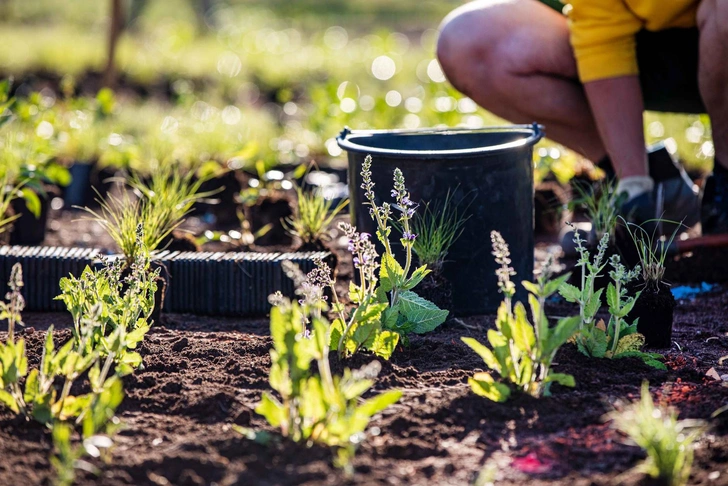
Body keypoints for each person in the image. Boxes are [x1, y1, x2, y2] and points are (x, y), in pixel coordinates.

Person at [436, 0, 728, 234]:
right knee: (467, 40)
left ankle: (724, 186)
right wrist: (634, 181)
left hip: (717, 31)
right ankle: (655, 185)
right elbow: (602, 35)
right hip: (653, 50)